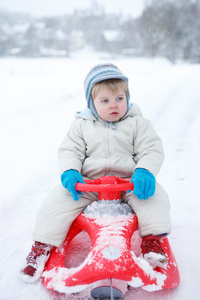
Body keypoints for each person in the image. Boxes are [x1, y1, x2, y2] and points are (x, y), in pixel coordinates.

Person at [20, 63, 171, 283]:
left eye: (120, 98)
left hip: (129, 183)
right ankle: (42, 246)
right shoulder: (81, 125)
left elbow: (151, 149)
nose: (114, 105)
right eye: (105, 101)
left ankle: (152, 240)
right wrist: (71, 171)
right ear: (91, 103)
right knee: (54, 203)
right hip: (90, 184)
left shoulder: (138, 123)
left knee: (156, 197)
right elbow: (70, 150)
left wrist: (145, 171)